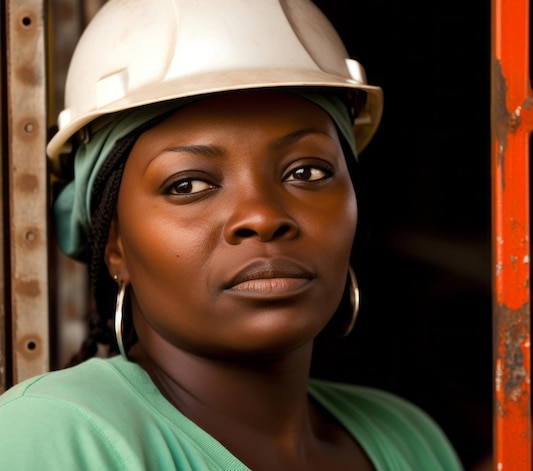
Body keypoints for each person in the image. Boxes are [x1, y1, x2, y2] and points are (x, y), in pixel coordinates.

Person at [0, 1, 464, 469]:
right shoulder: (54, 438)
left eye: (306, 171)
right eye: (188, 185)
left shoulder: (410, 440)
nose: (262, 217)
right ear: (115, 244)